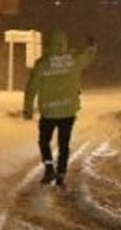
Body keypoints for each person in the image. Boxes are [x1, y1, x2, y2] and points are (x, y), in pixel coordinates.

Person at [22, 31, 97, 188]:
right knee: (64, 144)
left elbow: (31, 88)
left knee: (44, 141)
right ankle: (61, 174)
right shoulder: (73, 61)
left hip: (49, 112)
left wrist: (27, 109)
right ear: (64, 44)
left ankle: (49, 169)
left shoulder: (42, 64)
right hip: (68, 111)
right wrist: (92, 46)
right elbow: (87, 57)